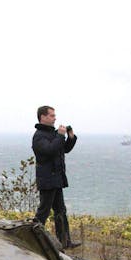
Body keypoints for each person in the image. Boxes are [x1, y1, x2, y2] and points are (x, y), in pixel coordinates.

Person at [32, 105, 80, 249]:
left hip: (56, 179)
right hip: (47, 180)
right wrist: (60, 135)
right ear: (43, 117)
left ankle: (65, 242)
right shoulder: (39, 136)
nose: (55, 118)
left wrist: (70, 138)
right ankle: (32, 239)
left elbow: (63, 149)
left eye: (54, 115)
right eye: (52, 115)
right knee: (43, 212)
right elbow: (49, 150)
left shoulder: (51, 134)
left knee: (61, 211)